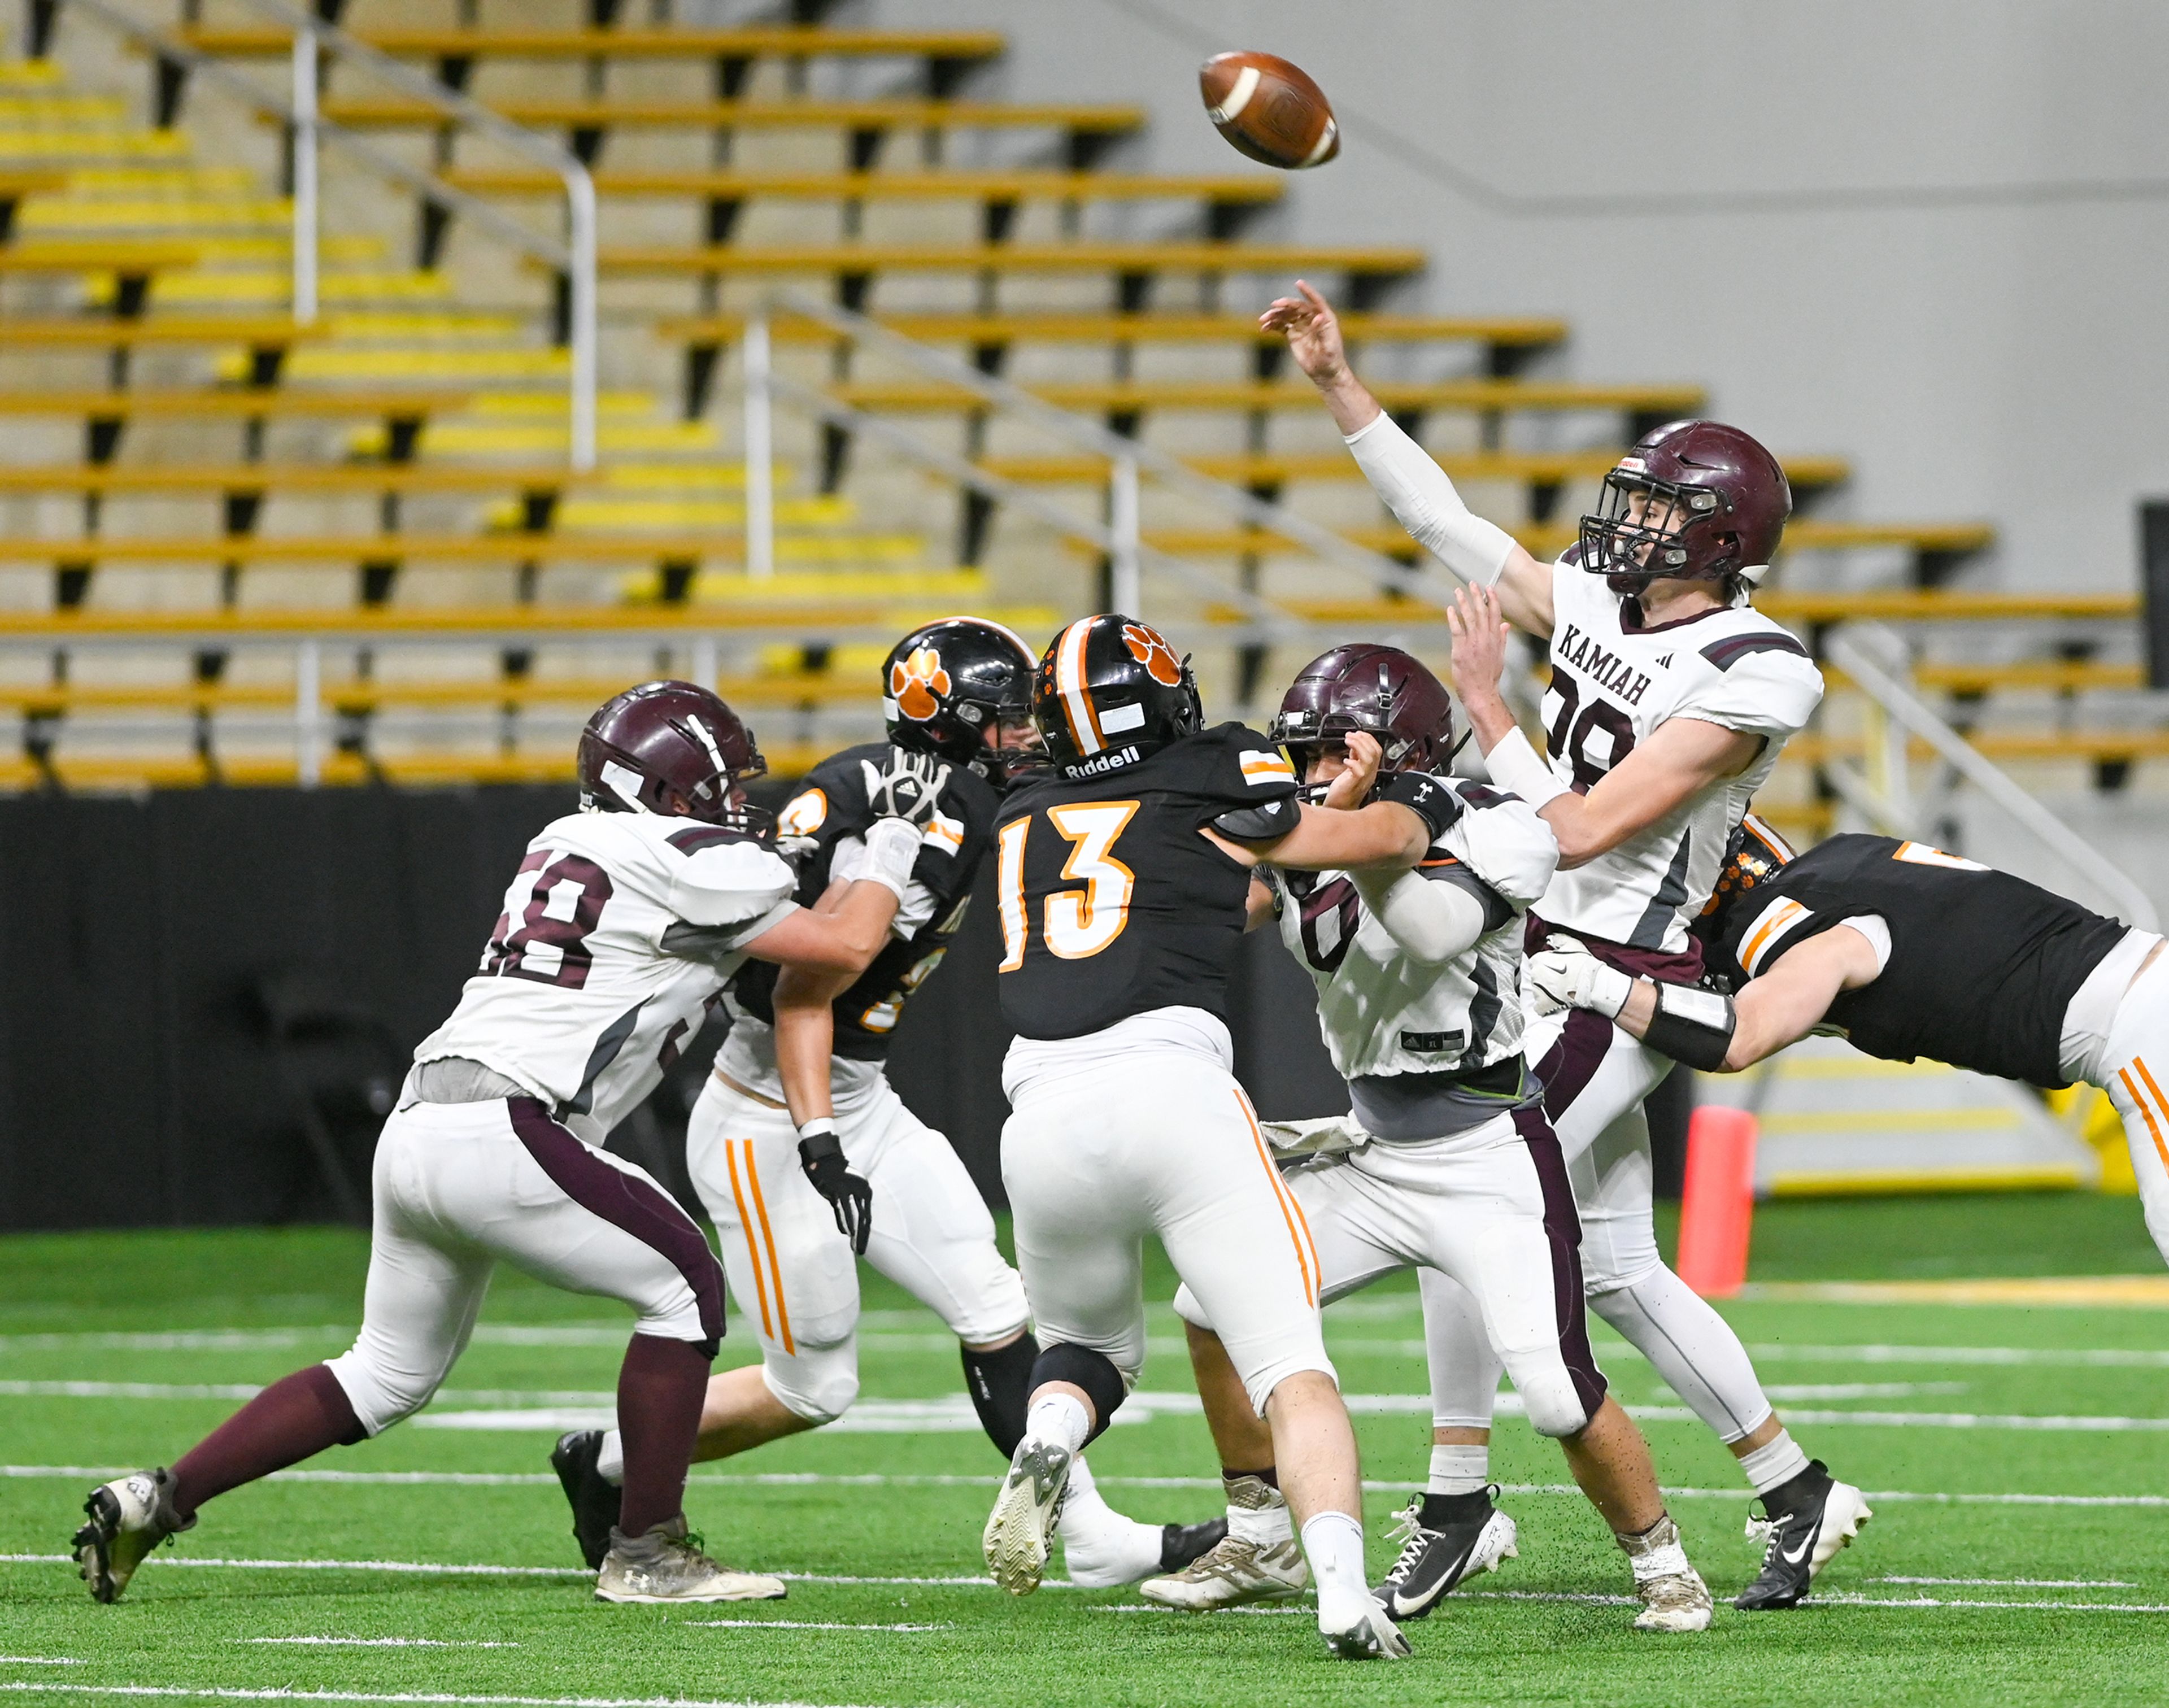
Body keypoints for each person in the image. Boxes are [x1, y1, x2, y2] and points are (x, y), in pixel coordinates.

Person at [73, 681, 942, 1607]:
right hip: (513, 1124)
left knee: (382, 1370)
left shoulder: (564, 843)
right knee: (685, 1281)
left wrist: (830, 862)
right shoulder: (684, 855)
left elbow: (757, 931)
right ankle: (647, 1549)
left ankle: (159, 1496)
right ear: (669, 790)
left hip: (417, 1125)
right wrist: (891, 841)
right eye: (714, 787)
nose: (731, 805)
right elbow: (846, 945)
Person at [1268, 277, 1868, 1611]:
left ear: (1718, 542)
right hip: (1538, 951)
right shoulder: (1600, 603)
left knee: (1457, 1177)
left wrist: (1485, 711)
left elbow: (1588, 827)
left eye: (1658, 508)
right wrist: (1336, 384)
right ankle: (1791, 1485)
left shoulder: (1758, 666)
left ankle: (1456, 1492)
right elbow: (1439, 518)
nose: (1629, 523)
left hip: (1620, 973)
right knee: (1603, 1260)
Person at [550, 620, 1222, 1588]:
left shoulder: (940, 790)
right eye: (1002, 720)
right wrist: (819, 1135)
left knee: (996, 1304)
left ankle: (1088, 1532)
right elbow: (800, 993)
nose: (1026, 732)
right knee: (812, 1383)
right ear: (948, 728)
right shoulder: (895, 809)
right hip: (770, 1114)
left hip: (856, 1094)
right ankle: (609, 1459)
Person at [1140, 644, 1714, 1634]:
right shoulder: (1315, 835)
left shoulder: (1493, 823)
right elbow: (1195, 905)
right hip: (1372, 1152)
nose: (1310, 772)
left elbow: (1439, 928)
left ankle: (1663, 1558)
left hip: (1488, 1150)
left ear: (1392, 747)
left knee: (1553, 1388)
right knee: (1208, 1300)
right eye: (1301, 752)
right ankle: (1261, 1525)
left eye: (1328, 751)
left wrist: (1346, 836)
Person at [982, 612, 1456, 1661]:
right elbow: (1364, 841)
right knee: (1292, 1367)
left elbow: (1192, 890)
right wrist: (1413, 804)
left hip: (1037, 1119)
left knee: (1088, 1350)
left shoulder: (1025, 803)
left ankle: (1052, 1433)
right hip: (1170, 1088)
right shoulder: (1211, 764)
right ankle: (1338, 1589)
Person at [1529, 818, 2169, 1272]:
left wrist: (1599, 984)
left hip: (2138, 1025)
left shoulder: (1799, 923)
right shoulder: (1847, 858)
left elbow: (1738, 1039)